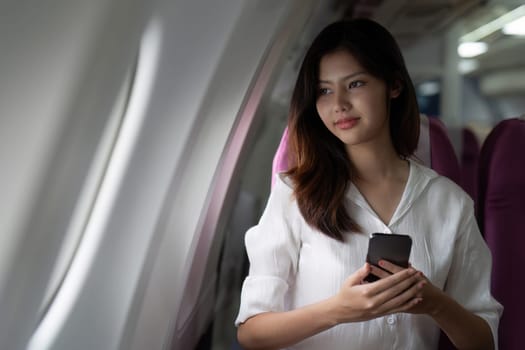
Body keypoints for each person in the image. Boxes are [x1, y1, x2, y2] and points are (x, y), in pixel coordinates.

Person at [234, 18, 502, 350]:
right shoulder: (294, 195)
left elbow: (485, 341)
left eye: (356, 84)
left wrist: (434, 303)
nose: (339, 104)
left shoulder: (449, 203)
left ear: (393, 85)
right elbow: (251, 332)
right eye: (324, 91)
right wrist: (338, 310)